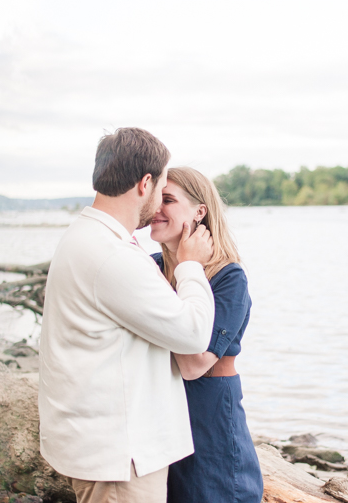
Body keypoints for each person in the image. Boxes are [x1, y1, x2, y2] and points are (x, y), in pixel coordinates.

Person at [38, 128, 216, 503]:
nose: (160, 201)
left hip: (106, 448)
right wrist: (190, 267)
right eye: (163, 187)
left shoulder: (88, 237)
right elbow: (194, 332)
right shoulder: (112, 255)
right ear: (145, 183)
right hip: (119, 457)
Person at [149, 166, 264, 503]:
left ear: (200, 211)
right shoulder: (150, 267)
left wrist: (189, 267)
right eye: (155, 198)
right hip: (161, 410)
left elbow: (194, 364)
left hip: (209, 410)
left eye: (168, 200)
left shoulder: (229, 277)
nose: (156, 208)